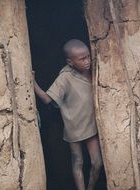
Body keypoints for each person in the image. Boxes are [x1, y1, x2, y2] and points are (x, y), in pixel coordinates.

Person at [33, 39, 103, 190]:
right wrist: (33, 82)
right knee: (77, 161)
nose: (87, 61)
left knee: (97, 163)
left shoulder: (95, 69)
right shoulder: (65, 77)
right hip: (73, 127)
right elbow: (46, 99)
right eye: (82, 59)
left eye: (88, 57)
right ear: (70, 62)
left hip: (91, 125)